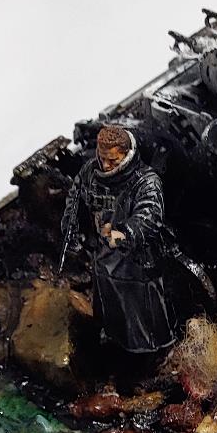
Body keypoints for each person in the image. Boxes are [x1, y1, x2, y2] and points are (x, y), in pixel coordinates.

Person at [60, 126, 181, 354]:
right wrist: (71, 225)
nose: (106, 165)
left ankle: (152, 353)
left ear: (126, 155)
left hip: (136, 262)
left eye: (112, 160)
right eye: (102, 158)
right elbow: (75, 197)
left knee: (144, 322)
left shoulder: (146, 181)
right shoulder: (90, 172)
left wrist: (125, 233)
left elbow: (150, 216)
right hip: (104, 256)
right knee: (109, 308)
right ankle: (112, 340)